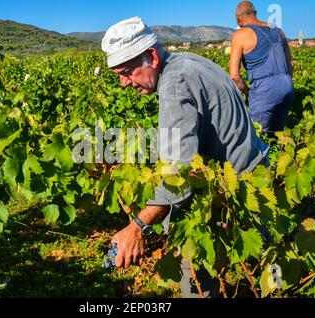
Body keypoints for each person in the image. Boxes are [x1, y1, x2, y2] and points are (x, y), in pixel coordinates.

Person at [101, 16, 269, 297]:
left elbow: (179, 174)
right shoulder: (187, 61)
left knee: (197, 273)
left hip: (237, 186)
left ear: (151, 56)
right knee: (262, 269)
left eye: (127, 72)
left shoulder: (174, 85)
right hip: (250, 172)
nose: (124, 83)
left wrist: (138, 226)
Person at [229, 1, 295, 134]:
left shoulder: (240, 35)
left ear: (238, 19)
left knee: (256, 136)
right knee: (277, 135)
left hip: (265, 90)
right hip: (287, 85)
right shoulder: (278, 31)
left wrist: (248, 92)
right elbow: (291, 64)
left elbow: (234, 76)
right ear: (255, 14)